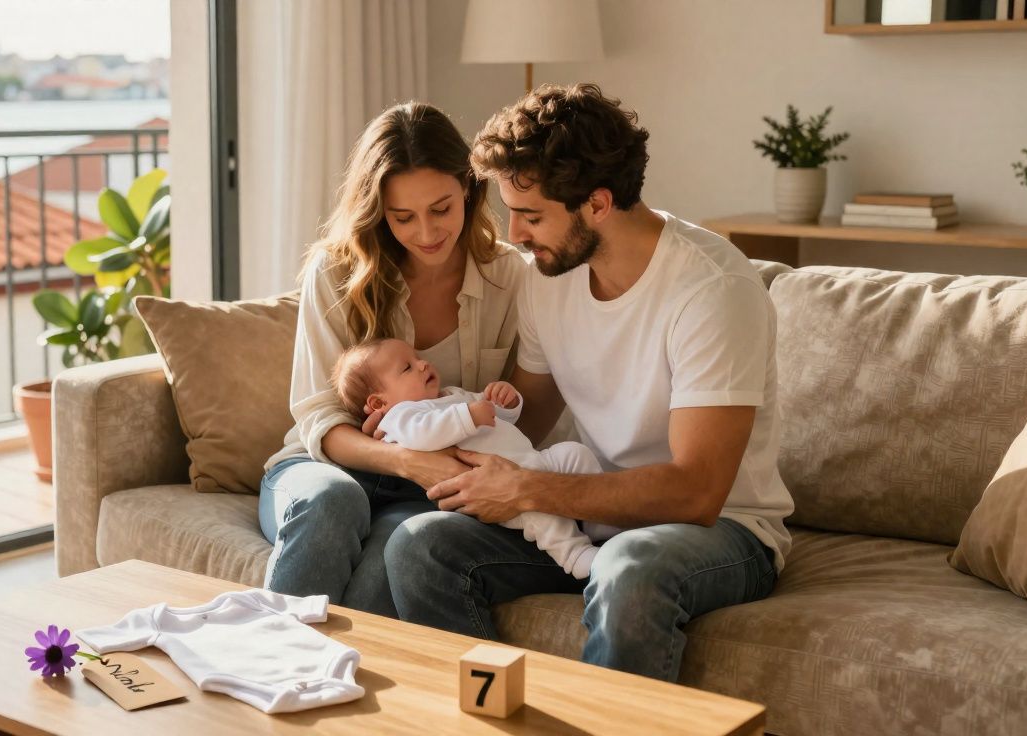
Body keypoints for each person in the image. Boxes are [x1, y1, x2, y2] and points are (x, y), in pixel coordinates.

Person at [383, 83, 795, 682]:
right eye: (510, 213)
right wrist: (424, 435)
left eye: (531, 216)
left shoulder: (712, 290)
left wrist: (527, 490)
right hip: (590, 511)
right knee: (420, 546)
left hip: (723, 531)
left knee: (629, 566)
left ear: (597, 204)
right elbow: (526, 420)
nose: (515, 236)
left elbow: (697, 493)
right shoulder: (549, 277)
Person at [258, 102, 529, 617]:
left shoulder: (508, 277)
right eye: (402, 217)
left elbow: (520, 404)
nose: (426, 233)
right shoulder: (335, 273)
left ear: (470, 191)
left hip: (425, 491)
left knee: (399, 550)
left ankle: (345, 691)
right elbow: (319, 418)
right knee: (332, 503)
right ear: (377, 209)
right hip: (325, 466)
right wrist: (407, 459)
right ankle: (266, 671)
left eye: (442, 209)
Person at [330, 337, 601, 578]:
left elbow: (492, 412)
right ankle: (573, 554)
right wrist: (468, 416)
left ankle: (603, 527)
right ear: (379, 403)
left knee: (576, 454)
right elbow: (424, 435)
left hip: (531, 460)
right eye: (407, 368)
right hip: (496, 489)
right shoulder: (399, 419)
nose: (423, 365)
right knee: (537, 513)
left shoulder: (451, 394)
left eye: (418, 358)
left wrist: (505, 402)